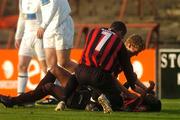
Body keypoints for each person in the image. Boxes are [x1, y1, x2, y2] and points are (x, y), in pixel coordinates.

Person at [0, 32, 149, 110]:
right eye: (135, 51)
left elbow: (131, 78)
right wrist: (131, 92)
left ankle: (21, 100)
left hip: (89, 87)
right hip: (88, 84)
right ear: (128, 44)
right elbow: (114, 79)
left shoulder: (116, 52)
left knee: (50, 84)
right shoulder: (117, 53)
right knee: (54, 69)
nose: (135, 55)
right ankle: (27, 98)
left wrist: (145, 89)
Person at [55, 21, 152, 113]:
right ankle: (97, 101)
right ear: (121, 33)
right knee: (117, 100)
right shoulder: (118, 43)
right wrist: (131, 91)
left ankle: (62, 100)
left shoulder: (94, 31)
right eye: (122, 36)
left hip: (81, 71)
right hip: (99, 76)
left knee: (75, 75)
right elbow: (127, 71)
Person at [15, 0, 47, 95]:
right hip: (27, 36)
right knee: (21, 66)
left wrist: (44, 27)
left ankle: (50, 95)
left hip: (40, 36)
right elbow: (22, 16)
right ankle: (20, 95)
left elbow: (50, 14)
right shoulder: (22, 1)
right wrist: (18, 35)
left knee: (45, 68)